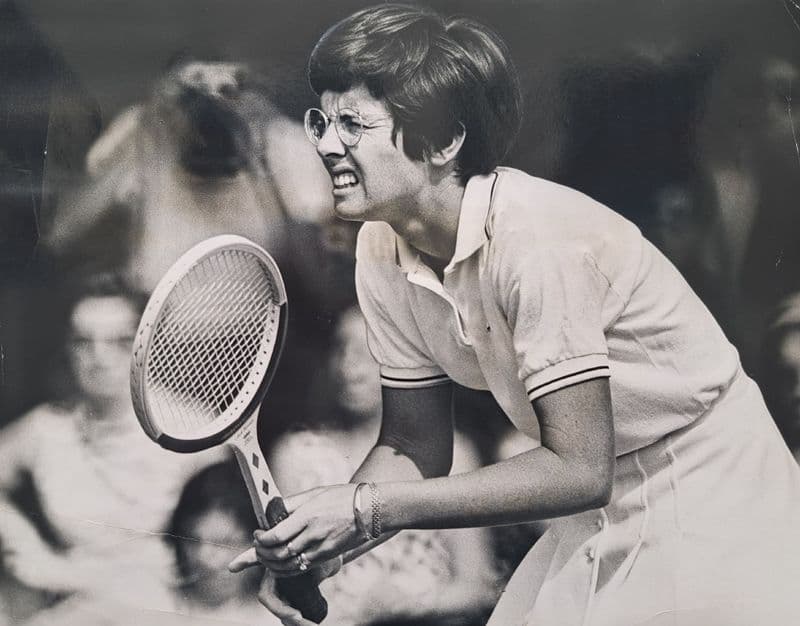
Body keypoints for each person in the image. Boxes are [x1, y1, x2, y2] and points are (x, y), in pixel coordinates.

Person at [228, 5, 800, 625]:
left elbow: (579, 469)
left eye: (354, 124)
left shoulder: (538, 241)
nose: (325, 144)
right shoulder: (380, 244)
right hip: (595, 502)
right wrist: (326, 545)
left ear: (444, 142)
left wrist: (365, 509)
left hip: (714, 490)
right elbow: (414, 444)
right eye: (321, 120)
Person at [0, 273, 221, 624]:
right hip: (74, 604)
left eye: (118, 341)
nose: (98, 357)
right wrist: (27, 548)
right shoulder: (46, 429)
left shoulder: (193, 429)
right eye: (83, 342)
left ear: (148, 346)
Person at [267, 306, 498, 624]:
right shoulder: (297, 454)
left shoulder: (454, 452)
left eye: (369, 352)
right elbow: (293, 584)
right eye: (342, 349)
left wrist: (411, 604)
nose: (350, 367)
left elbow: (479, 587)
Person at [164, 458, 281, 625]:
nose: (205, 559)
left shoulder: (281, 618)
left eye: (225, 542)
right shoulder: (150, 607)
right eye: (192, 540)